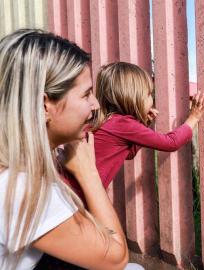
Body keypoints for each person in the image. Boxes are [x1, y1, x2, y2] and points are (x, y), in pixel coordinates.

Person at [0, 29, 136, 269]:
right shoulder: (21, 188)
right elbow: (115, 258)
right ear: (44, 105)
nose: (95, 104)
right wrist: (88, 173)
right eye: (86, 94)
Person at [63, 62, 204, 198]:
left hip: (67, 189)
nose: (152, 99)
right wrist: (193, 117)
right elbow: (171, 142)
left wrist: (143, 126)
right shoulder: (123, 124)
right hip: (78, 195)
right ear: (134, 97)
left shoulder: (106, 120)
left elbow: (128, 153)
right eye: (148, 94)